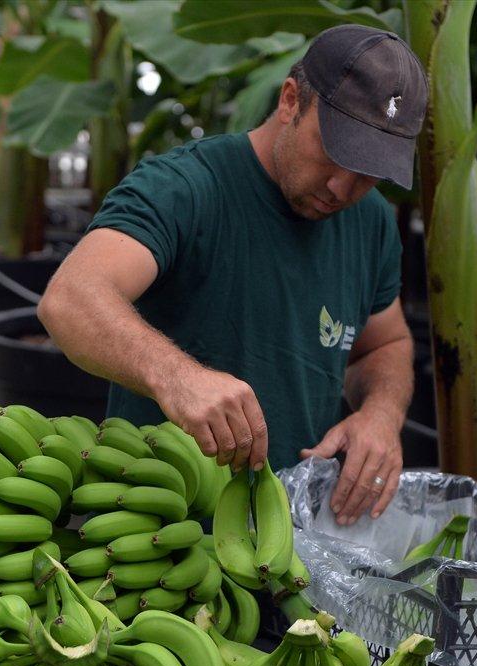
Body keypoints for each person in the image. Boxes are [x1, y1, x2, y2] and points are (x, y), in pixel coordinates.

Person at [38, 25, 429, 526]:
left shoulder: (370, 221)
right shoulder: (185, 188)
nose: (341, 186)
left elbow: (385, 344)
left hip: (292, 537)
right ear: (291, 101)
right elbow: (70, 297)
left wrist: (382, 415)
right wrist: (177, 377)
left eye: (369, 171)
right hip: (151, 534)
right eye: (336, 153)